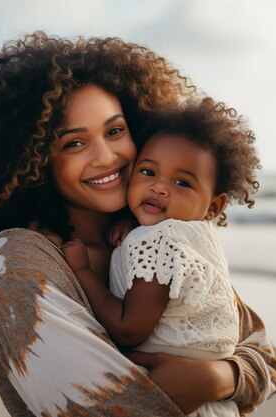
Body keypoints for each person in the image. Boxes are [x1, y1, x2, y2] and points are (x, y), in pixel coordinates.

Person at [0, 32, 276, 416]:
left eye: (115, 131)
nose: (106, 158)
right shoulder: (19, 259)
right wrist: (215, 380)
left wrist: (217, 375)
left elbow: (268, 359)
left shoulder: (160, 239)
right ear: (33, 161)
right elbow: (97, 407)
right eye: (74, 143)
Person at [62, 100, 259, 417]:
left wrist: (82, 271)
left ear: (213, 207)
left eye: (181, 182)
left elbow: (129, 330)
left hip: (174, 398)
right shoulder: (199, 237)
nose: (158, 187)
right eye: (147, 171)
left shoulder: (157, 240)